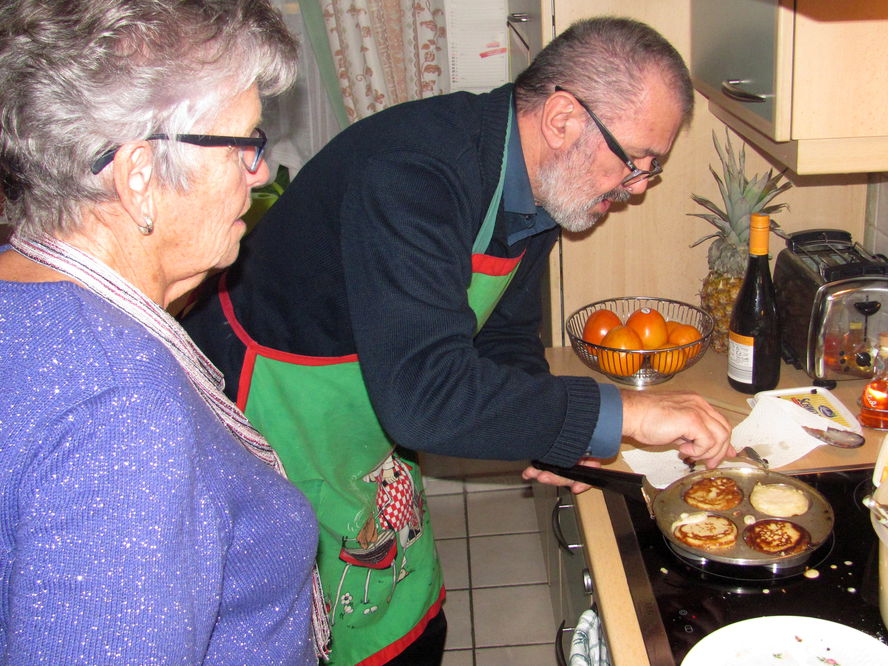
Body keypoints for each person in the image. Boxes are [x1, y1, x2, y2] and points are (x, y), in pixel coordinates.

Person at [182, 16, 735, 665]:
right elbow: (425, 399)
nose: (637, 187)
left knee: (406, 616)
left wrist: (554, 438)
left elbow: (502, 331)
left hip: (373, 401)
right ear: (562, 119)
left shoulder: (542, 186)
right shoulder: (413, 172)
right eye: (635, 161)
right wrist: (624, 413)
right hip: (278, 408)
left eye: (651, 169)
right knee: (309, 633)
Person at [0, 0, 330, 662]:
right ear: (140, 176)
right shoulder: (121, 415)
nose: (261, 171)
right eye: (244, 143)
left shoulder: (25, 291)